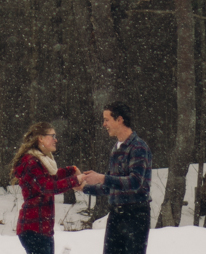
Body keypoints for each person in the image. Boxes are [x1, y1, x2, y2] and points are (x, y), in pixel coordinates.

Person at [78, 102, 151, 254]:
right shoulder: (116, 148)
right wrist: (83, 187)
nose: (104, 124)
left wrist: (102, 178)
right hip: (116, 215)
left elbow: (135, 182)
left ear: (120, 120)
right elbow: (110, 186)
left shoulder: (138, 147)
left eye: (107, 119)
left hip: (136, 216)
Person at [11, 121, 83, 254]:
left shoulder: (42, 161)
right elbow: (47, 187)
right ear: (41, 138)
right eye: (53, 136)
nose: (56, 139)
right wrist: (75, 180)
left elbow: (51, 179)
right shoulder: (31, 162)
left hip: (42, 229)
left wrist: (71, 170)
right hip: (33, 229)